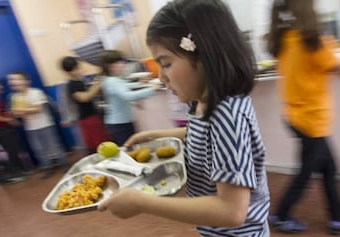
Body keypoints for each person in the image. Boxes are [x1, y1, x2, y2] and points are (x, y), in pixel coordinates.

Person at [98, 1, 270, 236]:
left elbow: (232, 211)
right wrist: (157, 136)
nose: (161, 78)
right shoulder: (204, 102)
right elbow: (204, 134)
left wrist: (141, 203)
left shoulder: (227, 115)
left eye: (166, 63)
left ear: (204, 57)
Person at [266, 0, 340, 235]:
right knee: (306, 172)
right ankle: (281, 214)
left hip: (294, 118)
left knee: (329, 168)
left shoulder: (282, 41)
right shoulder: (316, 43)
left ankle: (337, 217)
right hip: (312, 122)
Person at [8, 72, 69, 179]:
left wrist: (22, 110)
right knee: (38, 149)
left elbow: (37, 109)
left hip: (45, 125)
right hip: (30, 128)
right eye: (12, 80)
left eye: (17, 79)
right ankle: (47, 167)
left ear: (26, 81)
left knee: (54, 145)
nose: (14, 82)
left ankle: (64, 163)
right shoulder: (14, 97)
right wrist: (28, 109)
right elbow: (14, 113)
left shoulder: (36, 92)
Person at [99, 50, 159, 146]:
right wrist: (152, 90)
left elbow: (124, 86)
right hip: (120, 125)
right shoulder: (113, 81)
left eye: (122, 62)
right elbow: (127, 96)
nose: (122, 65)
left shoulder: (110, 80)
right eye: (118, 63)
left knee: (129, 149)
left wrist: (140, 83)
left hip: (118, 123)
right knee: (129, 151)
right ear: (109, 66)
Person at [60, 56, 109, 154]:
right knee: (96, 146)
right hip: (86, 119)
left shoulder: (81, 81)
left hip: (93, 115)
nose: (80, 70)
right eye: (76, 68)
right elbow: (84, 97)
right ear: (69, 72)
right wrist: (98, 82)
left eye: (79, 67)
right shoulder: (71, 85)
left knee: (103, 142)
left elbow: (93, 92)